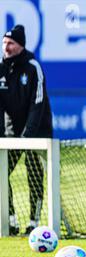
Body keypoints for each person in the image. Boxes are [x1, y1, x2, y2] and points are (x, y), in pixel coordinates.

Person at [0, 25, 53, 235]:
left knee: (34, 176)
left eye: (11, 43)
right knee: (2, 173)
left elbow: (37, 104)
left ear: (21, 45)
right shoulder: (1, 68)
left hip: (37, 132)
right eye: (4, 43)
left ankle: (34, 221)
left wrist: (28, 136)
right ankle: (10, 220)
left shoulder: (33, 68)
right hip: (11, 134)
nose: (6, 47)